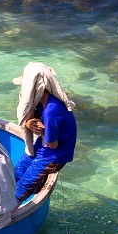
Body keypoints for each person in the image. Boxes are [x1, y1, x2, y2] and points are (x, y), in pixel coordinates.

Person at [12, 61, 77, 201]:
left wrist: (41, 131)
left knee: (20, 189)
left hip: (54, 154)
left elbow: (53, 144)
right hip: (43, 146)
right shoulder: (43, 101)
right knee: (15, 174)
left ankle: (4, 218)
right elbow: (34, 115)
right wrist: (29, 123)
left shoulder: (51, 112)